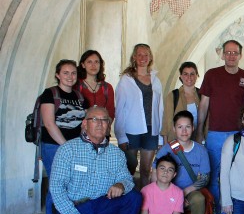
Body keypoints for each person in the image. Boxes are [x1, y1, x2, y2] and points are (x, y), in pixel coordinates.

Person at [49, 106, 142, 214]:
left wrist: (120, 184)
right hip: (74, 208)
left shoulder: (116, 153)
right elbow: (56, 189)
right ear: (84, 124)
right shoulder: (68, 150)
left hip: (101, 204)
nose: (100, 124)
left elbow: (127, 179)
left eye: (104, 120)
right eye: (94, 119)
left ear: (108, 125)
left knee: (133, 197)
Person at [197, 40, 244, 214]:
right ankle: (215, 212)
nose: (231, 56)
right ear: (222, 54)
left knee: (237, 175)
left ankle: (233, 212)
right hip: (215, 133)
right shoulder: (212, 75)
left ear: (240, 55)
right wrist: (199, 130)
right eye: (228, 52)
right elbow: (204, 105)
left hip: (238, 134)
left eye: (235, 53)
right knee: (213, 174)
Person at [40, 59, 88, 214]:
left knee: (75, 185)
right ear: (58, 75)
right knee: (57, 184)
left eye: (73, 73)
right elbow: (49, 124)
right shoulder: (49, 94)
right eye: (66, 73)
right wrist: (67, 146)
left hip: (75, 147)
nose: (70, 76)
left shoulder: (80, 97)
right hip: (54, 146)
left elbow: (84, 124)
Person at [153, 111, 210, 214]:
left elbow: (205, 179)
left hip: (190, 192)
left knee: (198, 198)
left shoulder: (201, 151)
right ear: (174, 129)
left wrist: (184, 193)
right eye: (180, 127)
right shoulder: (166, 150)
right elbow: (155, 174)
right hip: (168, 192)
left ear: (193, 128)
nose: (184, 131)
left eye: (188, 127)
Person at [115, 43, 163, 188]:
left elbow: (160, 108)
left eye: (146, 55)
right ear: (134, 57)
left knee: (145, 170)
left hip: (151, 130)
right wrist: (120, 135)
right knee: (128, 168)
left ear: (150, 58)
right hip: (131, 130)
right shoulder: (126, 79)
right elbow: (120, 109)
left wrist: (160, 136)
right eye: (139, 54)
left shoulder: (155, 79)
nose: (143, 58)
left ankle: (144, 203)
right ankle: (128, 202)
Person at [161, 61, 201, 143]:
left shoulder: (202, 95)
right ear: (181, 76)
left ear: (197, 76)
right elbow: (166, 122)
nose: (189, 77)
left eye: (192, 74)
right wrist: (165, 144)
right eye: (185, 74)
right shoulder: (173, 96)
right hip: (177, 141)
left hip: (198, 140)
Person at [75, 50, 115, 120]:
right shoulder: (76, 86)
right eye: (89, 62)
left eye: (96, 62)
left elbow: (110, 111)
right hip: (81, 128)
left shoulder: (107, 87)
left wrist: (105, 127)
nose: (93, 65)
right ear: (83, 65)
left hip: (101, 128)